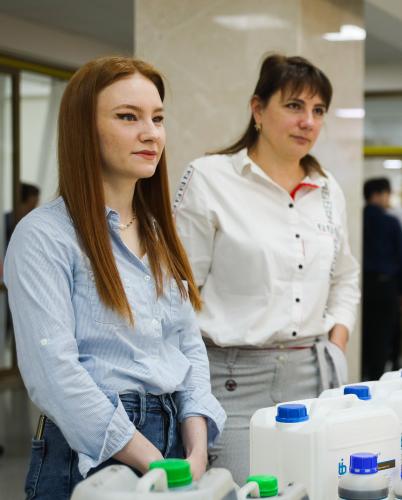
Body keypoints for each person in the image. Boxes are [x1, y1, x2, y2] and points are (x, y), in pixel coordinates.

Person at [4, 56, 225, 500]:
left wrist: (196, 449)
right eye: (128, 117)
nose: (151, 133)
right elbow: (54, 374)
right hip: (91, 451)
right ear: (84, 128)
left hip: (176, 438)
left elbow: (188, 348)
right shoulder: (45, 235)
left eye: (158, 118)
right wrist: (153, 460)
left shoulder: (160, 234)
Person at [174, 54, 359, 483]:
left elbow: (345, 275)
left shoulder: (327, 188)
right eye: (294, 106)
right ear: (258, 110)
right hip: (233, 380)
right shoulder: (209, 177)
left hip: (315, 375)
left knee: (313, 488)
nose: (308, 122)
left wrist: (338, 338)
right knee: (242, 489)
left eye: (318, 111)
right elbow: (177, 291)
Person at [362, 177, 402, 380]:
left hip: (362, 288)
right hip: (387, 287)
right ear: (377, 194)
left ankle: (362, 375)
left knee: (364, 334)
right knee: (384, 336)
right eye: (388, 193)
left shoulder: (356, 220)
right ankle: (378, 379)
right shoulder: (390, 222)